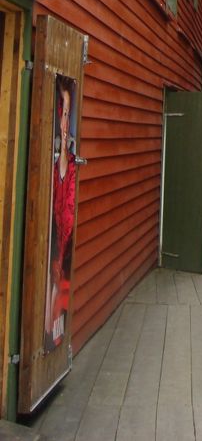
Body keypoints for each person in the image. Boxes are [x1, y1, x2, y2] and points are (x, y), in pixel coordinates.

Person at [46, 76, 77, 351]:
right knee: (54, 281)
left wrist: (65, 101)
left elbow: (65, 139)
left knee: (57, 281)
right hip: (57, 232)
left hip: (62, 234)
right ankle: (51, 330)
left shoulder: (65, 164)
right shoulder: (59, 163)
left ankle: (53, 332)